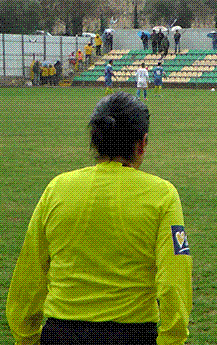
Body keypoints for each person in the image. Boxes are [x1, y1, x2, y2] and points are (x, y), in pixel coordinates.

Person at [6, 91, 193, 345]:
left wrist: (26, 337)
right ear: (142, 143)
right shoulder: (163, 196)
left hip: (61, 334)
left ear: (95, 141)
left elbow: (30, 273)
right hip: (132, 334)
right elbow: (174, 280)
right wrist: (172, 339)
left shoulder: (57, 189)